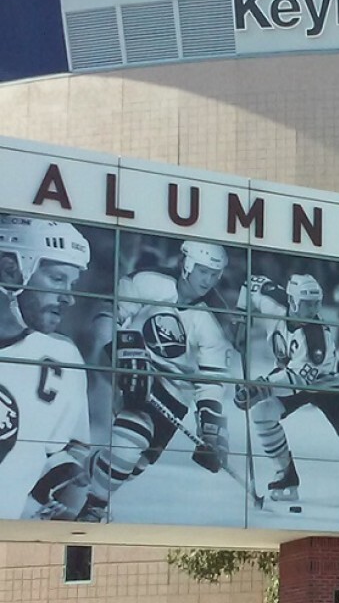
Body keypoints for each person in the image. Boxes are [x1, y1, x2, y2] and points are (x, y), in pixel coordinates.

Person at [77, 240, 234, 522]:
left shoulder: (213, 321)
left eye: (214, 274)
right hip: (136, 368)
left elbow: (211, 379)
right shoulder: (148, 282)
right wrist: (115, 352)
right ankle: (93, 509)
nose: (208, 280)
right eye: (203, 271)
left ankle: (73, 479)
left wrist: (211, 427)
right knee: (132, 437)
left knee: (132, 465)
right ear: (186, 264)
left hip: (176, 394)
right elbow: (107, 315)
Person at [234, 272, 339, 521]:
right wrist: (240, 321)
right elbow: (250, 283)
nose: (312, 309)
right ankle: (286, 477)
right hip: (290, 374)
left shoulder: (315, 339)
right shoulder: (273, 301)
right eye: (307, 303)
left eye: (316, 303)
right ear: (291, 301)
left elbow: (297, 380)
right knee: (263, 413)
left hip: (329, 386)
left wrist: (259, 388)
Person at [0, 215, 93, 520]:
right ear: (10, 269)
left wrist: (66, 483)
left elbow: (68, 451)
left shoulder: (62, 358)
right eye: (57, 279)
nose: (68, 297)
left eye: (72, 284)